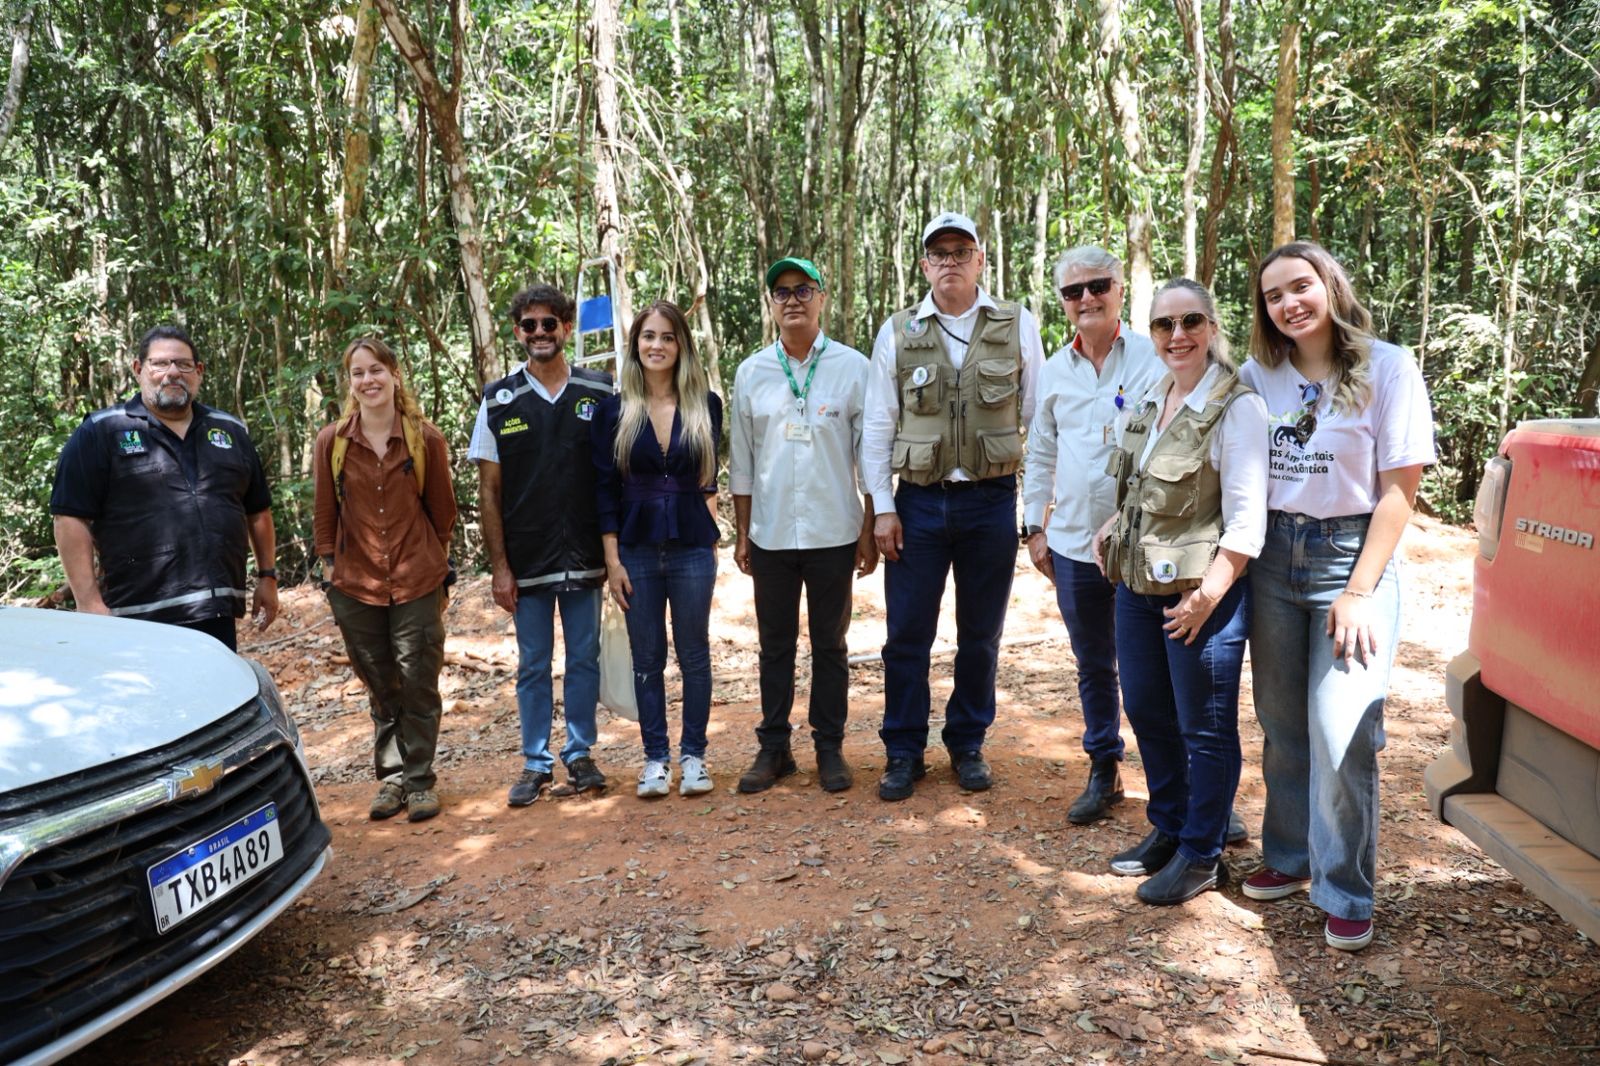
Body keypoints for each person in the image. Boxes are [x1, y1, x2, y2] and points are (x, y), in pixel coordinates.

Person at [1239, 242, 1436, 951]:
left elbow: (1399, 492)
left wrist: (1359, 589)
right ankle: (1290, 858)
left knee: (1341, 728)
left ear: (1330, 285)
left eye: (1301, 286)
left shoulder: (1388, 367)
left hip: (1350, 558)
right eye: (1273, 295)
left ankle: (1345, 887)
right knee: (1284, 723)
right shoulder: (1256, 376)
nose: (1289, 303)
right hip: (1271, 555)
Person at [1093, 278, 1269, 905]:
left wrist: (1209, 596)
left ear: (1212, 329)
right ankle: (1169, 828)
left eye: (1191, 321)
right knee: (1145, 707)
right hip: (1138, 585)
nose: (1178, 336)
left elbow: (1248, 520)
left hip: (1201, 596)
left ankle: (1202, 852)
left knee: (1206, 728)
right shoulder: (1154, 394)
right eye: (1165, 325)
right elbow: (1142, 483)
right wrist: (1117, 523)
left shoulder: (1235, 406)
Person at [863, 211, 1047, 801]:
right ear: (924, 265)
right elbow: (876, 424)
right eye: (938, 254)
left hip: (991, 502)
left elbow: (1041, 419)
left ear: (980, 260)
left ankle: (967, 742)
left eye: (960, 251)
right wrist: (882, 509)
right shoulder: (898, 331)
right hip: (917, 504)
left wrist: (1036, 508)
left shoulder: (1016, 324)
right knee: (907, 635)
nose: (950, 262)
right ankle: (903, 749)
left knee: (980, 635)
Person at [1022, 246, 1160, 824]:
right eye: (1072, 292)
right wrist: (1033, 526)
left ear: (1120, 288)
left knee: (1152, 667)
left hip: (1147, 545)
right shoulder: (1054, 372)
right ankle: (1104, 767)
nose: (1086, 299)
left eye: (1097, 286)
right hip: (1076, 543)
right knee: (1094, 664)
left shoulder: (1156, 356)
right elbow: (1041, 452)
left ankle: (1177, 784)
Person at [730, 257, 877, 794]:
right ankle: (773, 748)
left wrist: (868, 524)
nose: (792, 299)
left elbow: (870, 455)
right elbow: (741, 461)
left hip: (834, 529)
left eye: (803, 290)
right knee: (775, 645)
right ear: (771, 304)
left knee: (830, 645)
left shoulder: (852, 368)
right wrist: (743, 531)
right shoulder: (752, 372)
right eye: (782, 292)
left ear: (821, 298)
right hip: (769, 532)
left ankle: (829, 747)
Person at [51, 324, 278, 650]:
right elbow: (69, 517)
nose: (173, 373)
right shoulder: (101, 432)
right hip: (136, 616)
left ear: (198, 372)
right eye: (160, 364)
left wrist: (267, 577)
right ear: (139, 369)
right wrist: (89, 603)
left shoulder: (229, 431)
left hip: (215, 611)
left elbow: (257, 509)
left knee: (216, 698)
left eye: (183, 364)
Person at [471, 284, 611, 807]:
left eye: (548, 324)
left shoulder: (599, 392)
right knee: (533, 663)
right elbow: (488, 488)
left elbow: (614, 478)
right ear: (517, 333)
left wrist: (614, 555)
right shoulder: (499, 398)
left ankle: (579, 752)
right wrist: (499, 567)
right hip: (526, 560)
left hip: (584, 555)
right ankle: (535, 762)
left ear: (566, 328)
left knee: (584, 658)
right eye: (529, 325)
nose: (539, 334)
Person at [313, 337, 457, 824]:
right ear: (349, 382)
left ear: (395, 375)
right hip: (356, 585)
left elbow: (442, 513)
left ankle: (418, 781)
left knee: (418, 678)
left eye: (377, 369)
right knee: (380, 682)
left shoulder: (424, 438)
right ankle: (391, 776)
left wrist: (433, 564)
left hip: (417, 578)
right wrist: (331, 569)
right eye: (358, 372)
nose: (368, 380)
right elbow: (324, 513)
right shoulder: (332, 441)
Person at [592, 300, 723, 799]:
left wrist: (712, 540)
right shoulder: (613, 410)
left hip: (692, 546)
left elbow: (709, 480)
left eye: (667, 337)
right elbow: (603, 489)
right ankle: (654, 760)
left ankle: (693, 757)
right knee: (646, 657)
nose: (657, 345)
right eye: (648, 336)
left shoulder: (704, 404)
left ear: (681, 346)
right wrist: (612, 558)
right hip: (637, 549)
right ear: (635, 345)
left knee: (694, 655)